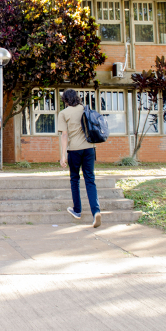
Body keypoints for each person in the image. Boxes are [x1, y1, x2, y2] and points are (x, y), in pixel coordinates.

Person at [58, 89, 101, 228]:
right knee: (90, 180)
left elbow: (64, 135)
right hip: (89, 148)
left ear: (65, 100)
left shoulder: (64, 113)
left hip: (74, 150)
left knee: (75, 179)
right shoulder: (85, 109)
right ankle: (96, 212)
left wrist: (63, 156)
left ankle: (77, 210)